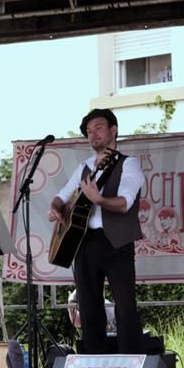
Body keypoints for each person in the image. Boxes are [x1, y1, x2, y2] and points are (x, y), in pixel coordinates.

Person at [48, 108, 144, 354]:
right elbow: (61, 196)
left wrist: (99, 199)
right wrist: (56, 209)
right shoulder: (84, 167)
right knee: (89, 309)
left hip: (117, 243)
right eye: (89, 132)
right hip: (85, 242)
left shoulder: (128, 164)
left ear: (114, 130)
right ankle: (93, 367)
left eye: (98, 128)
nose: (93, 135)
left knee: (125, 309)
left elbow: (124, 203)